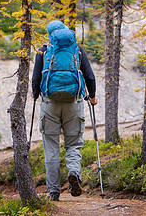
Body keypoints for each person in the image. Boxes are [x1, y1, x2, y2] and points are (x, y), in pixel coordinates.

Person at [32, 20, 98, 201]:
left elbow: (36, 77)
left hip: (50, 104)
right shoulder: (76, 49)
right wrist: (92, 96)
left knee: (51, 147)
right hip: (73, 103)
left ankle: (53, 192)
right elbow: (89, 75)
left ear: (49, 34)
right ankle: (74, 172)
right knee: (74, 143)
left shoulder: (44, 51)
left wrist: (35, 94)